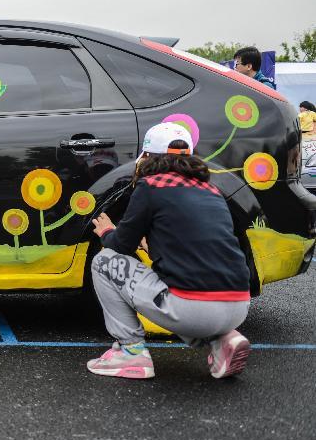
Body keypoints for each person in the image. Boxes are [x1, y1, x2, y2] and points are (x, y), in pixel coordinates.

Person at [86, 122, 252, 380]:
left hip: (193, 310)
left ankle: (131, 353)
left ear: (148, 157)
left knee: (104, 262)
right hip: (239, 306)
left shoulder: (150, 186)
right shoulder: (211, 190)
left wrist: (108, 231)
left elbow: (121, 245)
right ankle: (222, 340)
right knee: (181, 284)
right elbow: (195, 249)